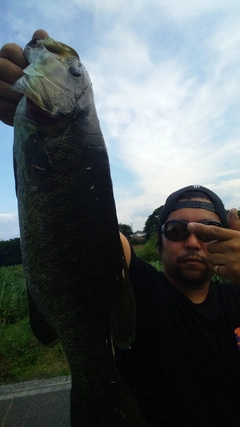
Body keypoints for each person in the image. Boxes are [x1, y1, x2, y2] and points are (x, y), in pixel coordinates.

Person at [1, 31, 240, 427]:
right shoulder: (143, 291)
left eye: (208, 231)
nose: (194, 240)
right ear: (158, 240)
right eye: (178, 231)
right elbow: (88, 234)